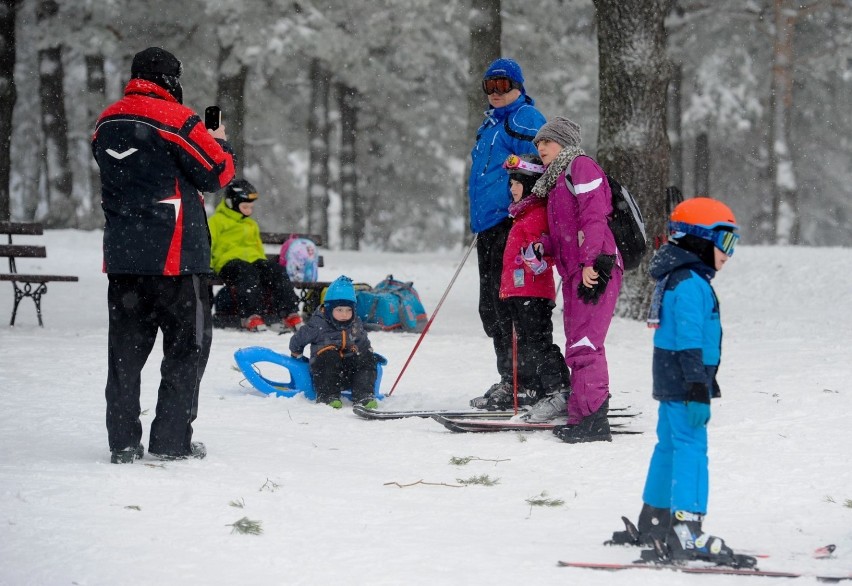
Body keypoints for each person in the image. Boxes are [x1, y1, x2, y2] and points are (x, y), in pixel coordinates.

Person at [92, 47, 235, 463]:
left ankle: (122, 442)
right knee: (186, 350)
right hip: (176, 259)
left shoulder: (106, 121)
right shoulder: (178, 120)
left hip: (123, 259)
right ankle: (171, 442)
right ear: (172, 79)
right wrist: (220, 141)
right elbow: (216, 173)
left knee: (124, 356)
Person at [612, 197, 749, 567]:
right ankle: (686, 531)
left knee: (670, 446)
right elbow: (689, 338)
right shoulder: (690, 284)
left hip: (672, 379)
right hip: (685, 382)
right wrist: (696, 388)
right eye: (725, 242)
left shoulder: (680, 277)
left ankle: (654, 522)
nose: (729, 253)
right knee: (691, 449)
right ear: (699, 240)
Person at [524, 117, 621, 441]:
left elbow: (594, 216)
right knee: (577, 346)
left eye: (546, 142)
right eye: (538, 144)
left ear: (563, 142)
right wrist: (543, 246)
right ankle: (582, 416)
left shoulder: (581, 167)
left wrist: (593, 261)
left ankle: (594, 421)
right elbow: (564, 234)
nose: (540, 149)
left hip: (596, 268)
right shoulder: (555, 181)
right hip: (575, 272)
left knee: (586, 344)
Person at [468, 58, 546, 410]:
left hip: (512, 226)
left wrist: (520, 203)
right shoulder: (490, 124)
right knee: (491, 308)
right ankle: (509, 378)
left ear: (518, 86)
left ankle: (526, 383)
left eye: (503, 85)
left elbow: (546, 163)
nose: (496, 93)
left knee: (511, 306)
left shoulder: (525, 119)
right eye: (490, 86)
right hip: (488, 226)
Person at [469, 154, 570, 410]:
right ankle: (531, 387)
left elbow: (548, 252)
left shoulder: (537, 215)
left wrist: (536, 259)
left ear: (533, 184)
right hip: (518, 291)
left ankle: (558, 389)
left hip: (533, 293)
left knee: (537, 341)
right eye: (511, 182)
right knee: (524, 343)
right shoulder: (522, 214)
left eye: (518, 182)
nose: (512, 188)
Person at [208, 178, 303, 332]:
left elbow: (258, 248)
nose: (249, 211)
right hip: (228, 263)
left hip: (253, 261)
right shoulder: (216, 222)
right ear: (232, 203)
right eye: (245, 207)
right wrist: (209, 267)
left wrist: (264, 266)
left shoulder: (251, 224)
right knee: (247, 273)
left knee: (276, 270)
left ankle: (289, 312)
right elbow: (208, 244)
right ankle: (251, 315)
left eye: (251, 207)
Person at [289, 275, 378, 409]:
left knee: (366, 358)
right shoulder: (318, 324)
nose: (344, 314)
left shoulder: (355, 324)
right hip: (324, 371)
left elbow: (363, 343)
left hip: (348, 371)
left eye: (349, 310)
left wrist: (367, 354)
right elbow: (299, 338)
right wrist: (296, 353)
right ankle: (327, 396)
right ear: (329, 309)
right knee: (329, 355)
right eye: (339, 310)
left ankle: (363, 395)